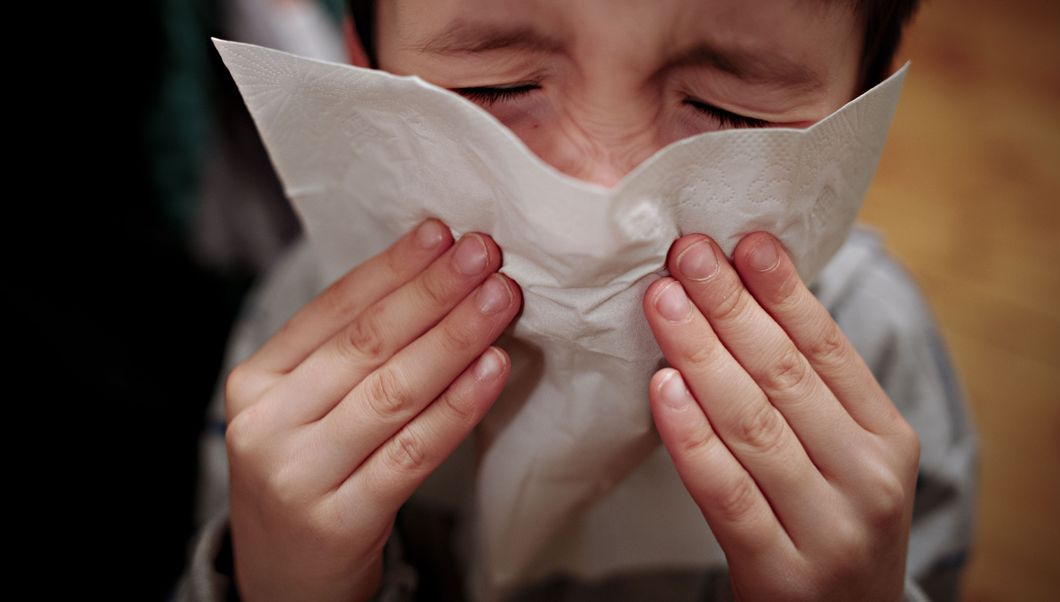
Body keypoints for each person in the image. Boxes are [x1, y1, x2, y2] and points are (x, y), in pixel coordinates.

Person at [173, 0, 977, 600]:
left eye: (728, 111)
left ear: (859, 119)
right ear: (363, 77)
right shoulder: (300, 342)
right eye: (497, 88)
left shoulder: (876, 354)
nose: (604, 197)